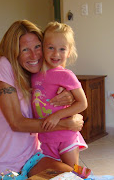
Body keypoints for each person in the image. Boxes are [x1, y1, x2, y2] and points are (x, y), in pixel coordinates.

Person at [0, 20, 84, 180]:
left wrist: (68, 97)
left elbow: (56, 94)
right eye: (25, 49)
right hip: (6, 164)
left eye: (37, 47)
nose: (33, 54)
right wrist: (66, 123)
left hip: (32, 156)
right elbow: (16, 122)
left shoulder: (33, 72)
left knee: (72, 179)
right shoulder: (3, 64)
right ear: (13, 51)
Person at [31, 21, 88, 168]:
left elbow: (82, 103)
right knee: (52, 176)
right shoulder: (33, 75)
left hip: (66, 136)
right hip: (45, 138)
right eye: (50, 48)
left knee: (73, 173)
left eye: (62, 49)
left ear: (69, 52)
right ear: (42, 48)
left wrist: (56, 116)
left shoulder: (66, 75)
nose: (56, 54)